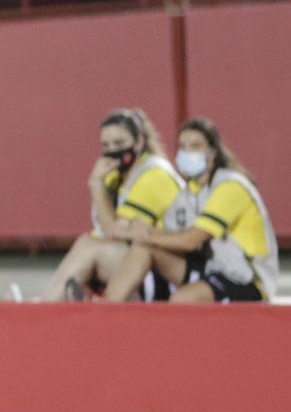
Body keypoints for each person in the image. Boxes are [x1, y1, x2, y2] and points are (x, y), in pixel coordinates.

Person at [106, 117, 280, 302]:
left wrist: (145, 234)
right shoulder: (188, 193)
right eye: (183, 147)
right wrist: (144, 232)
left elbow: (191, 240)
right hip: (211, 268)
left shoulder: (230, 185)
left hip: (245, 277)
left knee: (182, 299)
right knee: (144, 250)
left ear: (212, 153)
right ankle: (105, 312)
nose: (188, 152)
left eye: (195, 146)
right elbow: (170, 234)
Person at [38, 109, 189, 301]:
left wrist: (95, 184)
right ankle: (52, 304)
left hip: (165, 272)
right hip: (140, 265)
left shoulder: (154, 175)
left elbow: (114, 233)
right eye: (106, 145)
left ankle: (43, 308)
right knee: (87, 245)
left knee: (89, 248)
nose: (113, 150)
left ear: (139, 142)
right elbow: (104, 232)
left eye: (120, 143)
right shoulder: (116, 177)